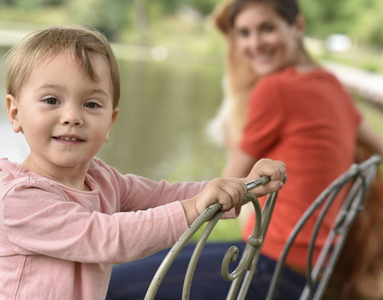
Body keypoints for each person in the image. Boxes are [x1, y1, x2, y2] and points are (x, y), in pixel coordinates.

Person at [0, 25, 287, 300]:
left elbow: (161, 195)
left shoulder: (101, 178)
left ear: (110, 122)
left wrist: (241, 186)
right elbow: (105, 237)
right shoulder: (21, 198)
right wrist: (192, 209)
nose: (72, 117)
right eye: (51, 100)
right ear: (15, 113)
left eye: (91, 104)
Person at [107, 0, 383, 299]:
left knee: (113, 284)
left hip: (271, 265)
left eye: (267, 28)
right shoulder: (332, 84)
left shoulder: (275, 89)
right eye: (244, 33)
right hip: (312, 266)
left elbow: (221, 196)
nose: (254, 44)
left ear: (298, 27)